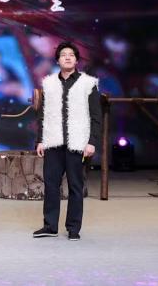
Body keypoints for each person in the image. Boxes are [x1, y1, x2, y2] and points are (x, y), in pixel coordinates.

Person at [33, 41, 101, 241]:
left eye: (71, 55)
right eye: (63, 55)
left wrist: (92, 141)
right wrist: (40, 140)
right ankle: (50, 225)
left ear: (77, 60)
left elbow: (96, 116)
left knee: (75, 186)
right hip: (53, 141)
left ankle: (73, 228)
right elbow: (43, 115)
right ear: (58, 60)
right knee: (51, 185)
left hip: (77, 142)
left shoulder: (88, 83)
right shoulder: (49, 83)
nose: (68, 57)